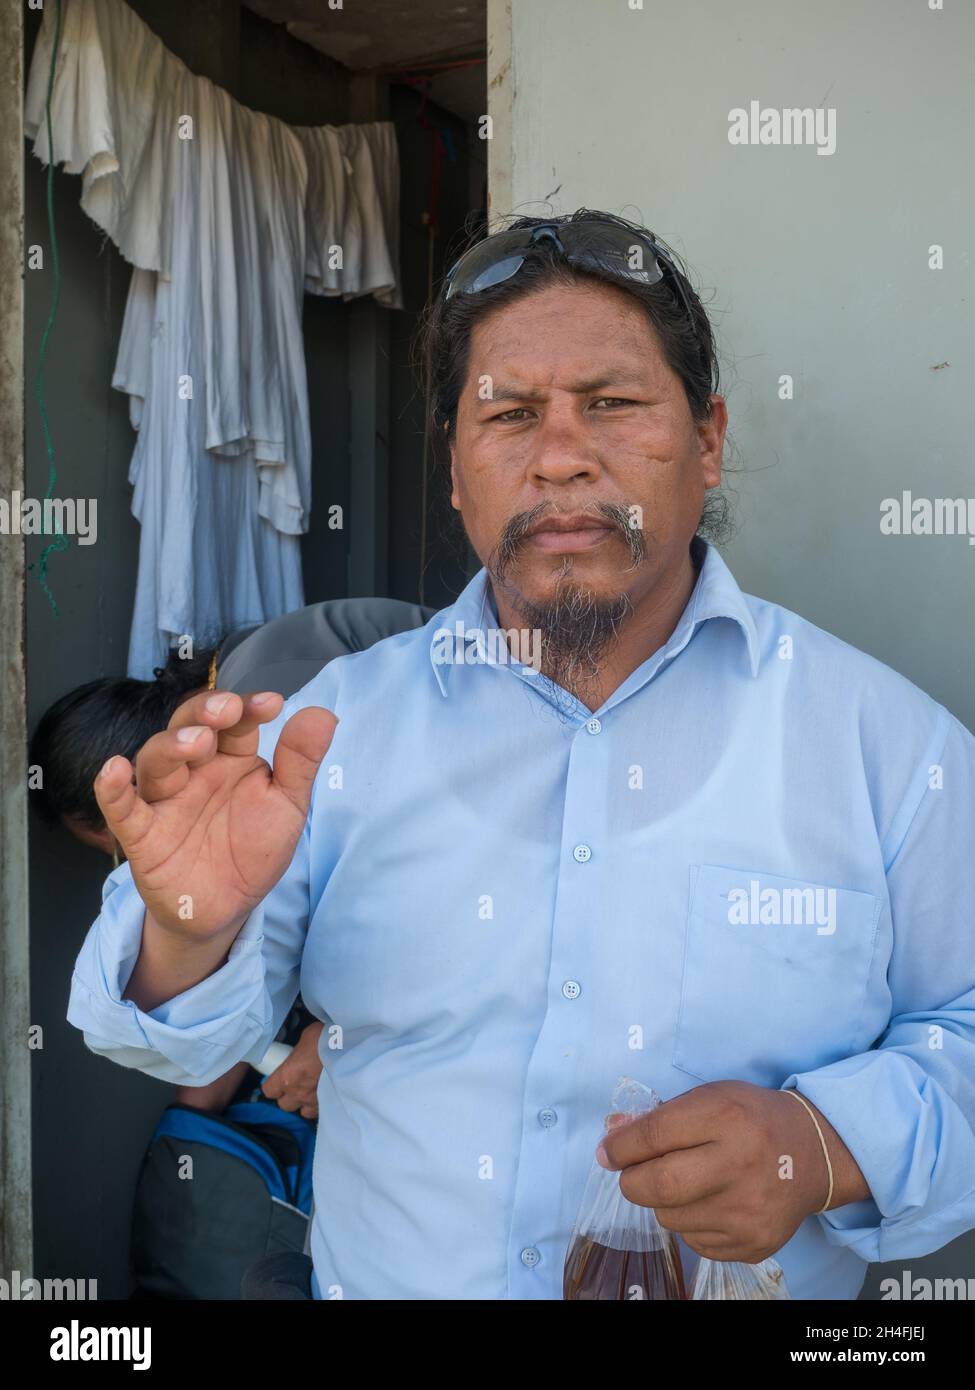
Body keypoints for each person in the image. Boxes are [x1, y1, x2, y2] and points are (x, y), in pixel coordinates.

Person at [67, 210, 975, 1301]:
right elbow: (167, 1047)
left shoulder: (888, 746)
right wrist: (190, 933)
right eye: (508, 413)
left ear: (712, 438)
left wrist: (823, 1145)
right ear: (454, 468)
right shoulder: (326, 734)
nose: (559, 455)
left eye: (613, 403)